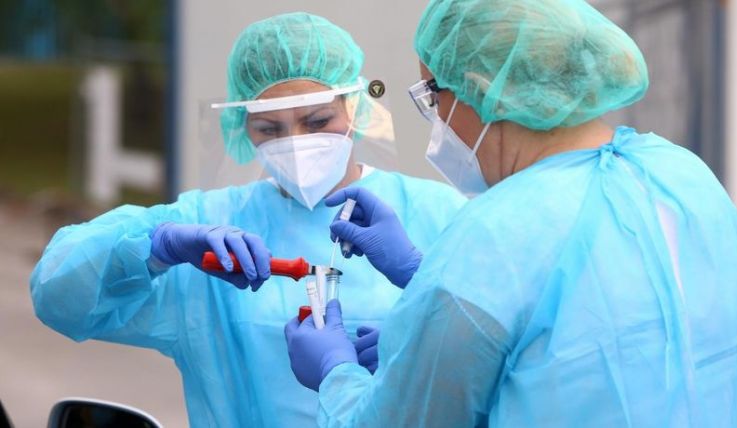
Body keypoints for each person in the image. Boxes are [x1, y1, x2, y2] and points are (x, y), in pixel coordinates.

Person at [284, 0, 737, 426]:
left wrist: (335, 371)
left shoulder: (494, 231)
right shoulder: (685, 178)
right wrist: (423, 278)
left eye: (433, 93)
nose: (436, 115)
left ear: (481, 90)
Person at [29, 12, 465, 427]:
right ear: (243, 128)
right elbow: (57, 297)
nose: (296, 143)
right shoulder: (210, 227)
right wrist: (156, 248)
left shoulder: (438, 212)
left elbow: (497, 351)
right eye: (270, 129)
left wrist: (428, 347)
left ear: (355, 107)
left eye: (317, 120)